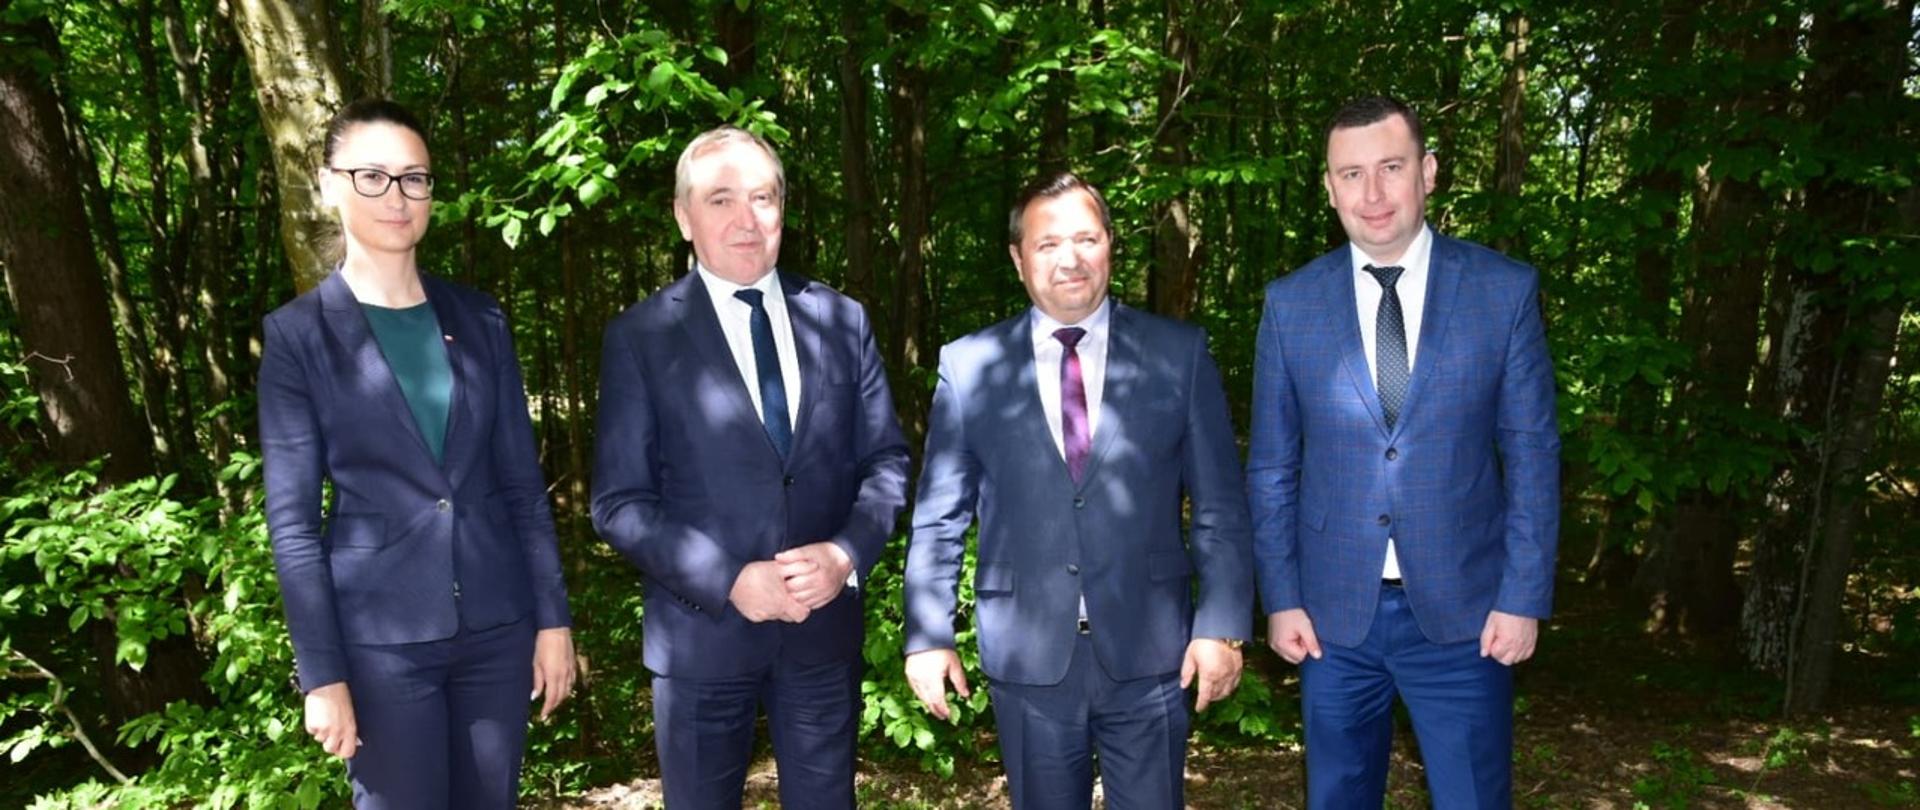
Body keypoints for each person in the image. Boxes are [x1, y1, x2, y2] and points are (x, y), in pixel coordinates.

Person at [257, 98, 576, 808]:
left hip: (498, 633)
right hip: (380, 647)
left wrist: (553, 620)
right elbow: (293, 528)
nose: (397, 197)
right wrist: (322, 675)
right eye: (372, 176)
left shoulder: (482, 318)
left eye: (415, 178)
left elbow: (522, 487)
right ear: (329, 185)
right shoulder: (299, 338)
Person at [903, 172, 1255, 809]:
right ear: (1017, 258)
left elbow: (1220, 506)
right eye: (1047, 244)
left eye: (1086, 239)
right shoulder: (969, 365)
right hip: (1028, 656)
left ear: (1111, 247)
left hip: (1154, 652)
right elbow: (938, 517)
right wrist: (929, 634)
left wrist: (1223, 625)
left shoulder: (1179, 354)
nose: (1070, 259)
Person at [1247, 95, 1561, 809]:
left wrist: (1522, 595)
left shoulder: (1502, 291)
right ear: (1329, 188)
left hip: (1466, 617)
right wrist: (1282, 596)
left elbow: (1532, 453)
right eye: (1350, 174)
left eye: (1391, 167)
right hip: (1332, 620)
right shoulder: (1290, 304)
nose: (1373, 193)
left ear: (1429, 171)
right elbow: (1271, 467)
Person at [591, 125, 910, 809]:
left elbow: (885, 461)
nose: (746, 219)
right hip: (699, 639)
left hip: (820, 638)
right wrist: (730, 579)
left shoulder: (841, 320)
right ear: (683, 216)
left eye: (763, 197)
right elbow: (620, 502)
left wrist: (844, 554)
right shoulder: (640, 337)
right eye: (721, 199)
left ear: (783, 211)